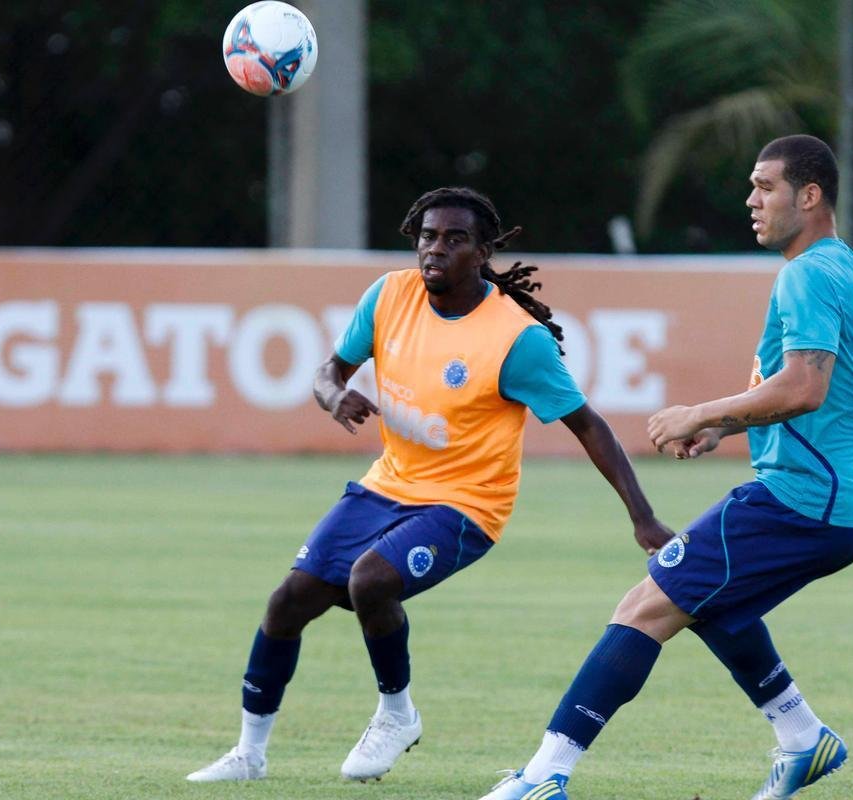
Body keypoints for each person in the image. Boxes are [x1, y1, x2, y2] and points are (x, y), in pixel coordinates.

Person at [186, 187, 674, 784]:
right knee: (289, 601)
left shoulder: (517, 339)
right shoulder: (389, 295)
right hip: (387, 485)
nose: (435, 249)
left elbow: (589, 425)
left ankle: (397, 716)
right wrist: (335, 395)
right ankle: (249, 754)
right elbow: (329, 370)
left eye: (454, 239)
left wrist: (641, 516)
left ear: (483, 252)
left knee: (370, 581)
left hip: (467, 505)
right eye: (427, 236)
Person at [479, 134, 853, 800]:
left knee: (643, 607)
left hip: (802, 499)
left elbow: (804, 387)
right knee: (712, 604)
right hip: (844, 504)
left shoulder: (807, 273)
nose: (751, 200)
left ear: (809, 195)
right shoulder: (848, 268)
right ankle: (801, 736)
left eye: (765, 186)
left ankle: (543, 776)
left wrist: (700, 411)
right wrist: (726, 426)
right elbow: (831, 393)